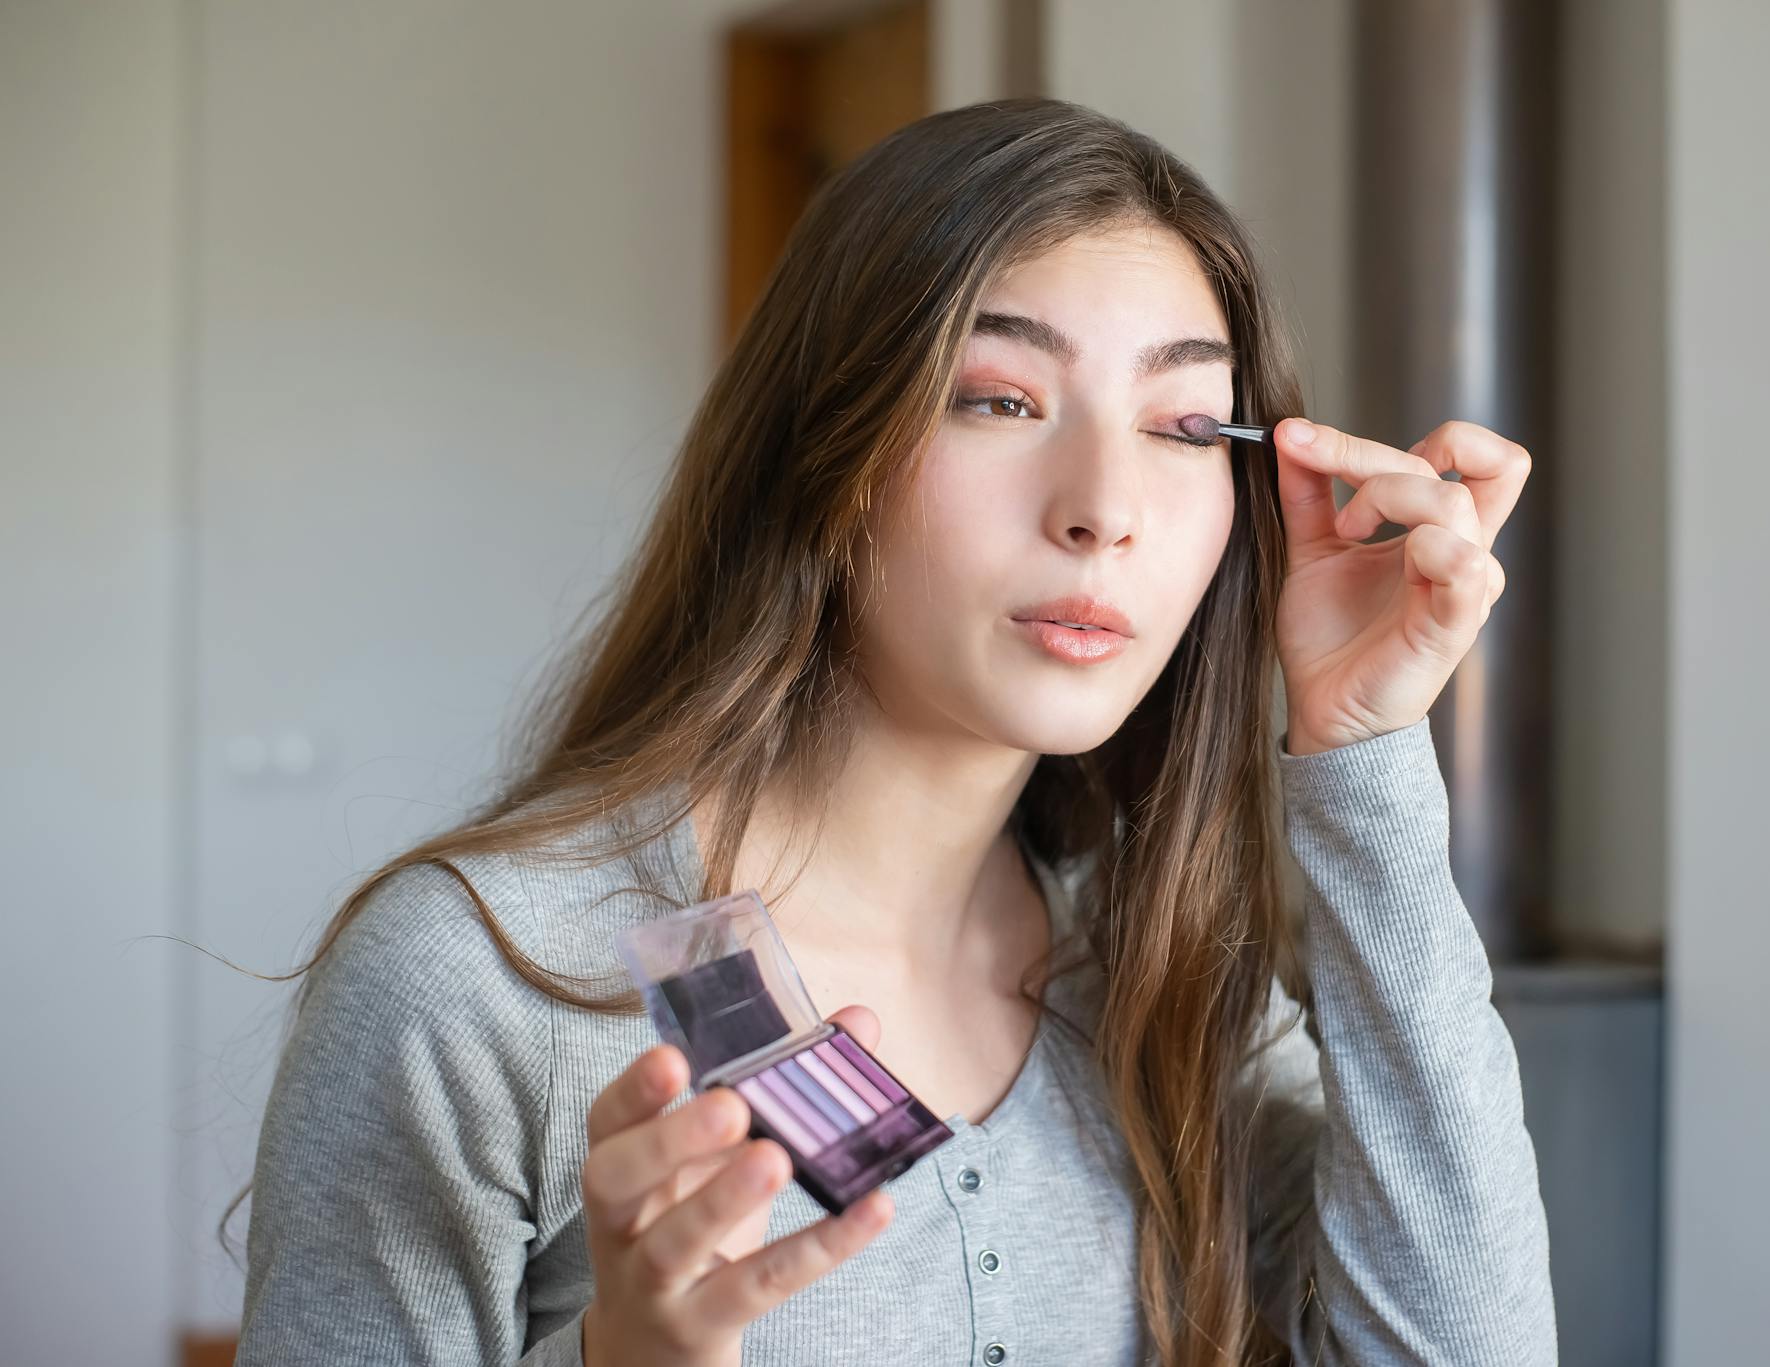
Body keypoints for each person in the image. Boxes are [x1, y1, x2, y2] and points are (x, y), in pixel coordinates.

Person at [230, 97, 1553, 1366]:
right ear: (830, 454)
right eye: (999, 400)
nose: (1104, 508)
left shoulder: (1162, 983)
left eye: (1185, 426)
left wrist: (1363, 747)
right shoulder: (478, 981)